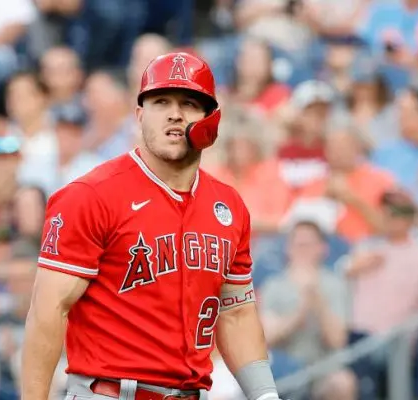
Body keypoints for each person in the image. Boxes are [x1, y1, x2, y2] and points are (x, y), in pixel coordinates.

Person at [21, 52, 281, 400]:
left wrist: (265, 395)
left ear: (211, 121)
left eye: (189, 103)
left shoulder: (229, 207)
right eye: (161, 101)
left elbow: (235, 311)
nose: (175, 113)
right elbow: (47, 311)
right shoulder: (90, 195)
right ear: (140, 115)